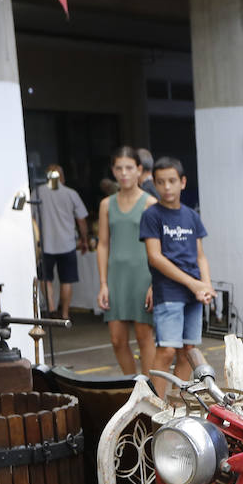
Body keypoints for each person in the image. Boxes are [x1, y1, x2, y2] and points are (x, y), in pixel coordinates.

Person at [139, 156, 214, 397]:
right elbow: (155, 257)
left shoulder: (191, 216)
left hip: (195, 291)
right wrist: (194, 284)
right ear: (155, 184)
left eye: (172, 181)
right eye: (160, 182)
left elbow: (200, 256)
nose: (167, 187)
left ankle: (176, 404)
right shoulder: (152, 215)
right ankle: (155, 406)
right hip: (168, 290)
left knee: (188, 350)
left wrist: (207, 285)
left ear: (182, 182)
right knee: (167, 350)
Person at [96, 146, 158, 376]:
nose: (124, 173)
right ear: (113, 170)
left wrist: (154, 283)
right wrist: (103, 283)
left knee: (144, 338)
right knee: (116, 340)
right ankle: (131, 388)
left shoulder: (150, 203)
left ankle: (151, 394)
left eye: (129, 168)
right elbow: (102, 244)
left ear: (139, 170)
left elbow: (159, 248)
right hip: (116, 278)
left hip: (143, 276)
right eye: (119, 168)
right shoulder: (106, 204)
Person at [35, 164, 88, 319]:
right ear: (62, 177)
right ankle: (65, 314)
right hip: (67, 243)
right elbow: (81, 219)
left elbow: (30, 219)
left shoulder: (37, 192)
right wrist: (84, 239)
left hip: (45, 243)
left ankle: (51, 309)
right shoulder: (71, 194)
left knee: (46, 278)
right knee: (67, 280)